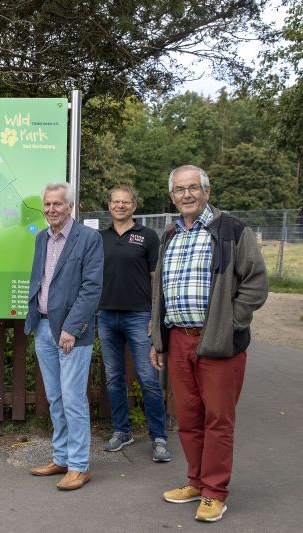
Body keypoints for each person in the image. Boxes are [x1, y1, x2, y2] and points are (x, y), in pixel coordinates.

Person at [150, 165, 268, 522]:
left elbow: (256, 282)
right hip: (179, 339)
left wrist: (230, 322)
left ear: (207, 191)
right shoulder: (169, 234)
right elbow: (159, 292)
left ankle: (215, 492)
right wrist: (158, 339)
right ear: (172, 196)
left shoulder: (231, 230)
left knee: (218, 418)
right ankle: (197, 481)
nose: (186, 195)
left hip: (217, 342)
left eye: (193, 188)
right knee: (187, 417)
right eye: (179, 190)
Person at [24, 183, 103, 491]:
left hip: (71, 332)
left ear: (70, 206)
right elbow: (41, 281)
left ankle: (80, 466)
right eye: (47, 204)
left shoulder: (89, 239)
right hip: (43, 327)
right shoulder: (41, 238)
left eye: (57, 204)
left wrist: (71, 328)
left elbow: (91, 288)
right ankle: (62, 458)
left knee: (72, 399)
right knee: (55, 398)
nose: (51, 209)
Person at [98, 185, 170, 462]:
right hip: (106, 316)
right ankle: (122, 431)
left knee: (148, 378)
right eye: (115, 202)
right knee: (114, 378)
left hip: (139, 316)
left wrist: (155, 315)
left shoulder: (148, 236)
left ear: (134, 206)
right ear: (109, 206)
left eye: (125, 202)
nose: (120, 206)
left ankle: (159, 437)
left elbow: (156, 279)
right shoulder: (99, 238)